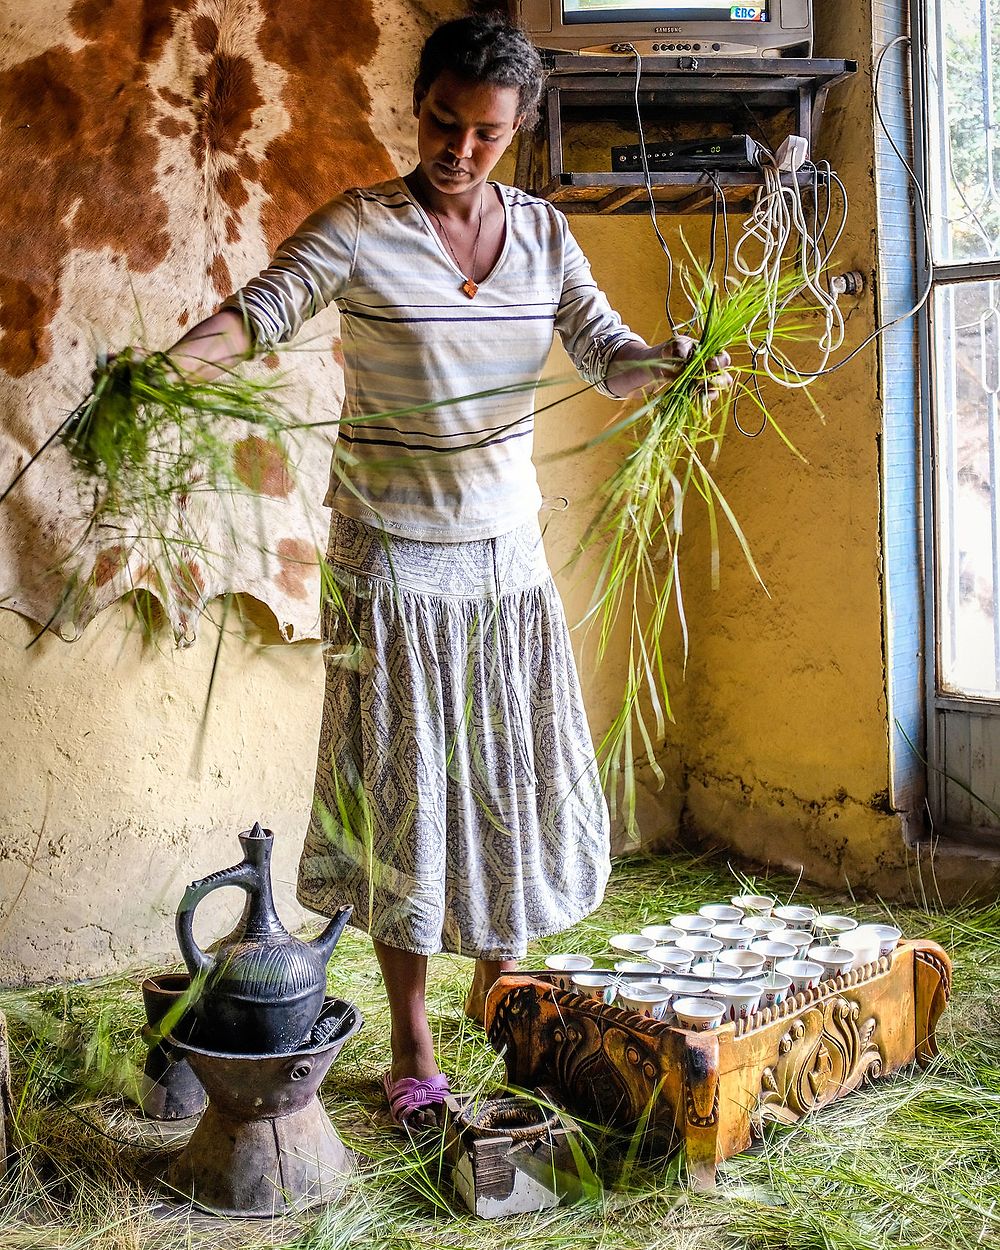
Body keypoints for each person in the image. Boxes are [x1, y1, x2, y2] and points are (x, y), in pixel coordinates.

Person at [163, 14, 727, 1129]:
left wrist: (669, 367)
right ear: (410, 106)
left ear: (514, 132)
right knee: (405, 802)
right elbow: (263, 310)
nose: (459, 149)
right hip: (392, 554)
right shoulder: (364, 230)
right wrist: (169, 363)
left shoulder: (544, 236)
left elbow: (606, 352)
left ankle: (502, 989)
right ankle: (413, 1040)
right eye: (441, 122)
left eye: (485, 132)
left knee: (507, 777)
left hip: (503, 555)